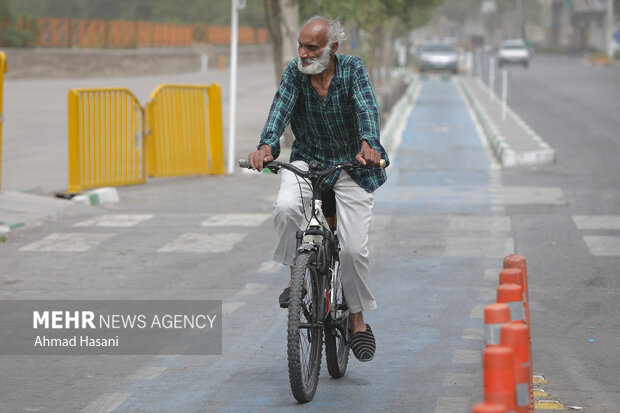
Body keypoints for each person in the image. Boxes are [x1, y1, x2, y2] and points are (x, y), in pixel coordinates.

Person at [247, 15, 389, 362]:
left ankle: (356, 321)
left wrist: (369, 143)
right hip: (307, 161)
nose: (304, 54)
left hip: (352, 165)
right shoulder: (295, 72)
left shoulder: (352, 70)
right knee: (284, 208)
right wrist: (266, 146)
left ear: (332, 48)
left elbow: (367, 108)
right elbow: (279, 109)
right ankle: (297, 278)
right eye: (301, 46)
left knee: (354, 250)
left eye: (312, 48)